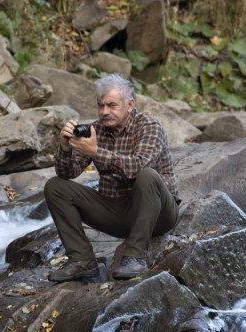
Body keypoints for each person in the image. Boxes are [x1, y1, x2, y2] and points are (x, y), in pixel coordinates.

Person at [44, 73, 179, 282]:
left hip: (158, 213)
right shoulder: (96, 130)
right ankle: (82, 261)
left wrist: (95, 152)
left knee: (147, 176)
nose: (104, 112)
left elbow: (138, 166)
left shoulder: (150, 126)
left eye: (111, 105)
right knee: (55, 187)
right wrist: (65, 147)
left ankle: (135, 257)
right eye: (101, 106)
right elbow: (67, 174)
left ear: (130, 104)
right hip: (116, 211)